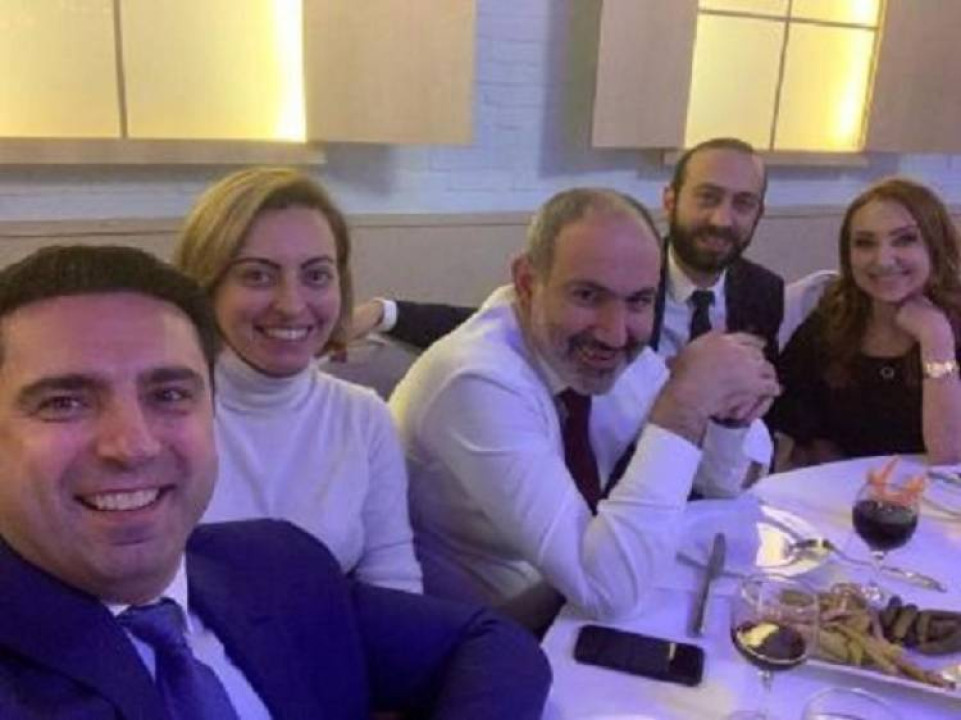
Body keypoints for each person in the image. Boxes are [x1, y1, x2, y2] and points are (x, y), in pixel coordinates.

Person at [0, 245, 550, 718]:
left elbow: (489, 644)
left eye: (169, 394)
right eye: (64, 403)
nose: (133, 444)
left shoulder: (274, 565)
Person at [390, 188, 781, 624]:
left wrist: (727, 415)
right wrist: (683, 406)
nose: (615, 333)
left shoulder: (611, 353)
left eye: (639, 300)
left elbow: (722, 486)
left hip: (561, 602)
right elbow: (606, 591)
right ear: (527, 283)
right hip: (470, 629)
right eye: (587, 296)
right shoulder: (476, 380)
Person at [173, 167, 420, 592]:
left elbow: (392, 578)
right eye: (258, 275)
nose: (291, 304)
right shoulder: (161, 416)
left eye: (316, 275)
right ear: (206, 287)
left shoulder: (363, 416)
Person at [352, 138, 784, 362]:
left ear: (759, 213)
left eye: (743, 203)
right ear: (670, 201)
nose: (722, 219)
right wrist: (385, 312)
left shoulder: (765, 292)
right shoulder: (623, 271)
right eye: (708, 197)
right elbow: (500, 327)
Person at [769, 177, 961, 468]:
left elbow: (950, 457)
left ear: (936, 246)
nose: (882, 260)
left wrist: (936, 339)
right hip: (845, 491)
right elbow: (795, 431)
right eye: (865, 243)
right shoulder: (828, 322)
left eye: (905, 239)